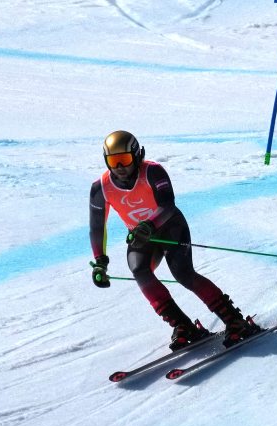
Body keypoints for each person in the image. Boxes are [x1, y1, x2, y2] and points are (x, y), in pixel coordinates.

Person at [89, 131, 261, 350]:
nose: (120, 167)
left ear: (137, 155)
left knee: (183, 273)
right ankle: (182, 325)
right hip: (142, 236)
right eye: (113, 161)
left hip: (170, 227)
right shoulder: (100, 188)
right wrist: (100, 262)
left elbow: (167, 206)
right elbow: (96, 228)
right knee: (139, 269)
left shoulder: (153, 172)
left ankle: (234, 320)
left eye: (125, 159)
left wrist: (148, 226)